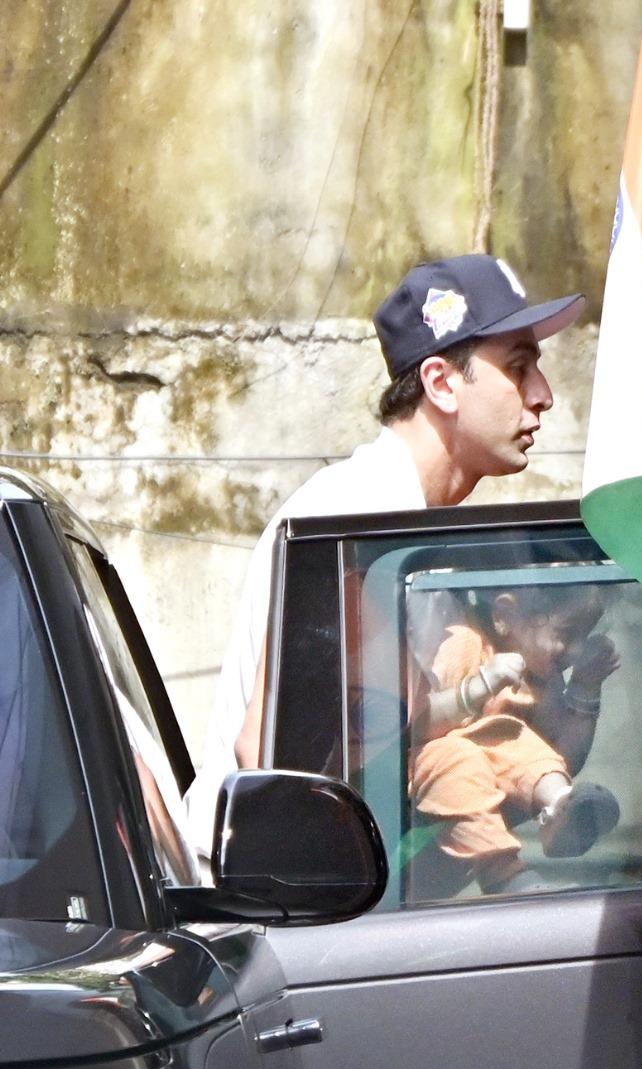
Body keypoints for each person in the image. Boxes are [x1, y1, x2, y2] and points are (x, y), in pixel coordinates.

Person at [186, 254, 586, 850]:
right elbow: (272, 750)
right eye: (519, 367)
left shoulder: (411, 533)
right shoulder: (352, 519)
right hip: (267, 905)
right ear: (442, 384)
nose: (544, 395)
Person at [412, 585, 621, 893]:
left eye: (584, 637)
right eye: (566, 633)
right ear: (504, 616)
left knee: (513, 739)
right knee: (466, 753)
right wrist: (477, 688)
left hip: (481, 793)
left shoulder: (543, 678)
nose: (575, 651)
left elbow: (562, 757)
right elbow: (413, 726)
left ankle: (559, 809)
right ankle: (506, 876)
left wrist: (585, 687)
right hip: (432, 775)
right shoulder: (463, 642)